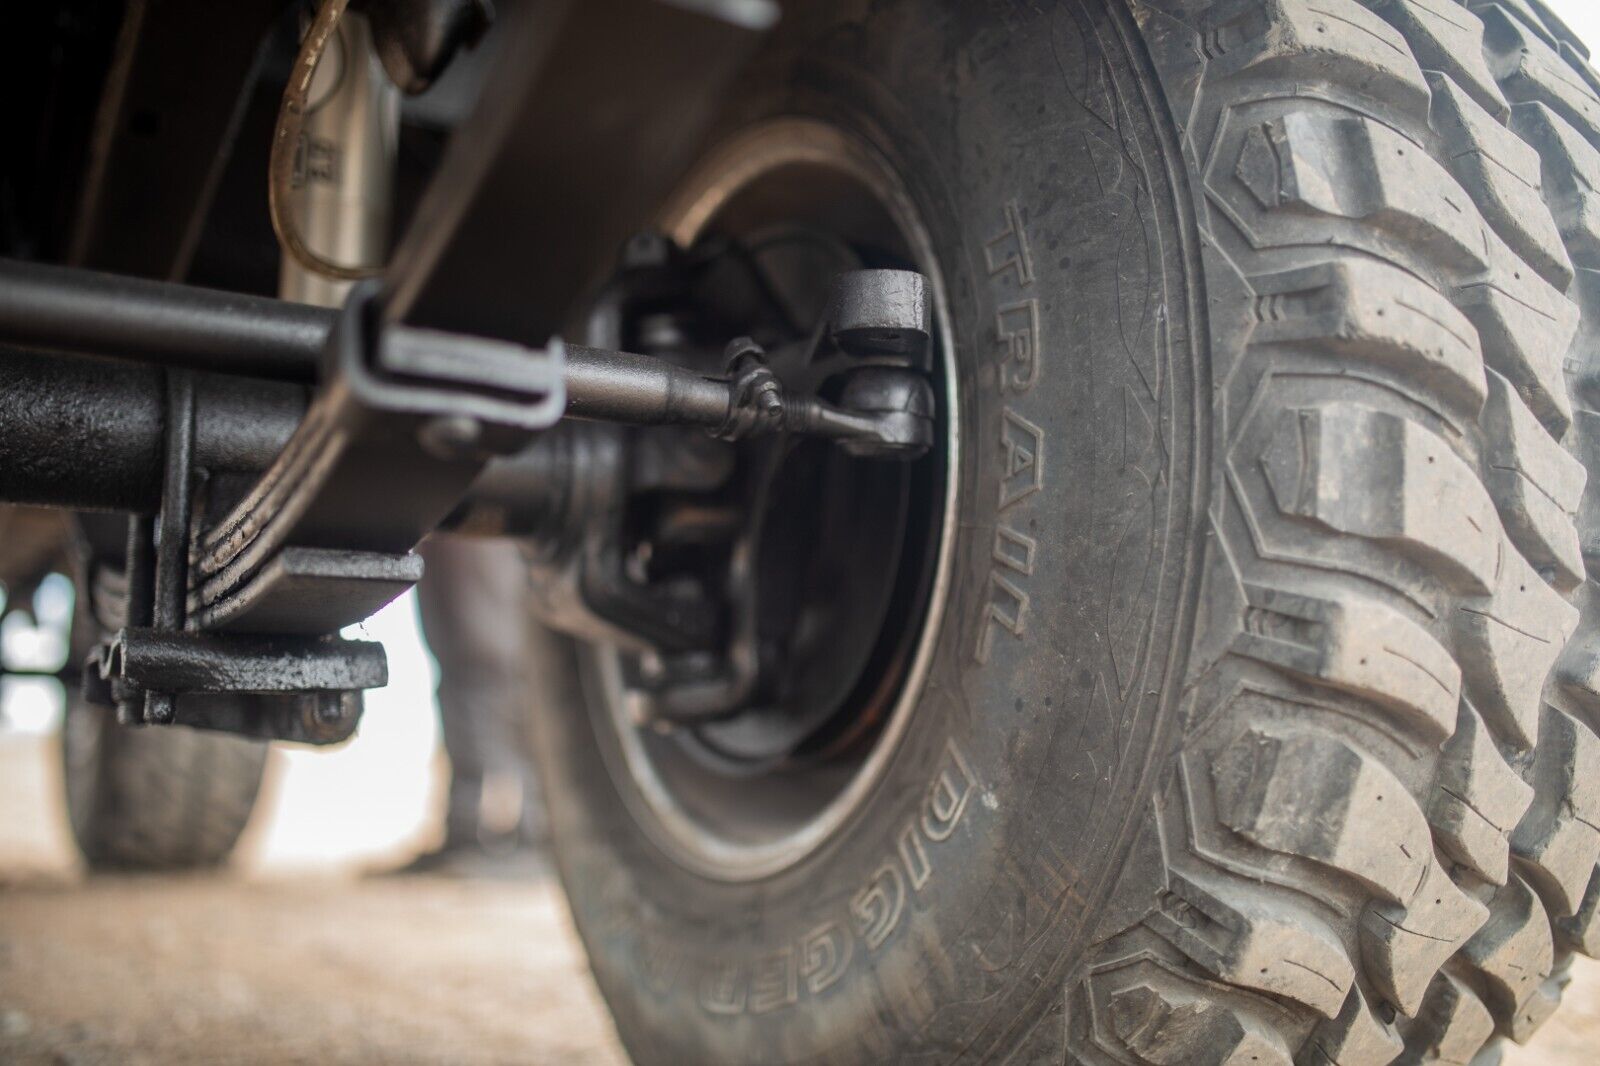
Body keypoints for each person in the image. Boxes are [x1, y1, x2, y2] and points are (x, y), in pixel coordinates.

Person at [405, 534, 548, 875]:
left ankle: (518, 829)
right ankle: (469, 826)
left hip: (470, 500)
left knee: (485, 647)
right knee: (455, 643)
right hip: (436, 506)